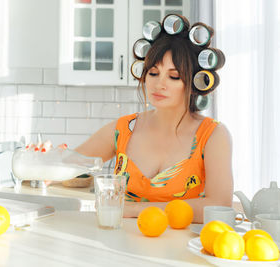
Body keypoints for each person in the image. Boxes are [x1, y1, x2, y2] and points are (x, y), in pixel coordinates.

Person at [75, 15, 233, 223]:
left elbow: (219, 205)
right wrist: (44, 158)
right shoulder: (123, 129)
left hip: (182, 252)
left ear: (194, 82)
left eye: (173, 76)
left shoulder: (213, 135)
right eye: (153, 73)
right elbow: (72, 167)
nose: (159, 84)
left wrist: (136, 209)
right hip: (121, 245)